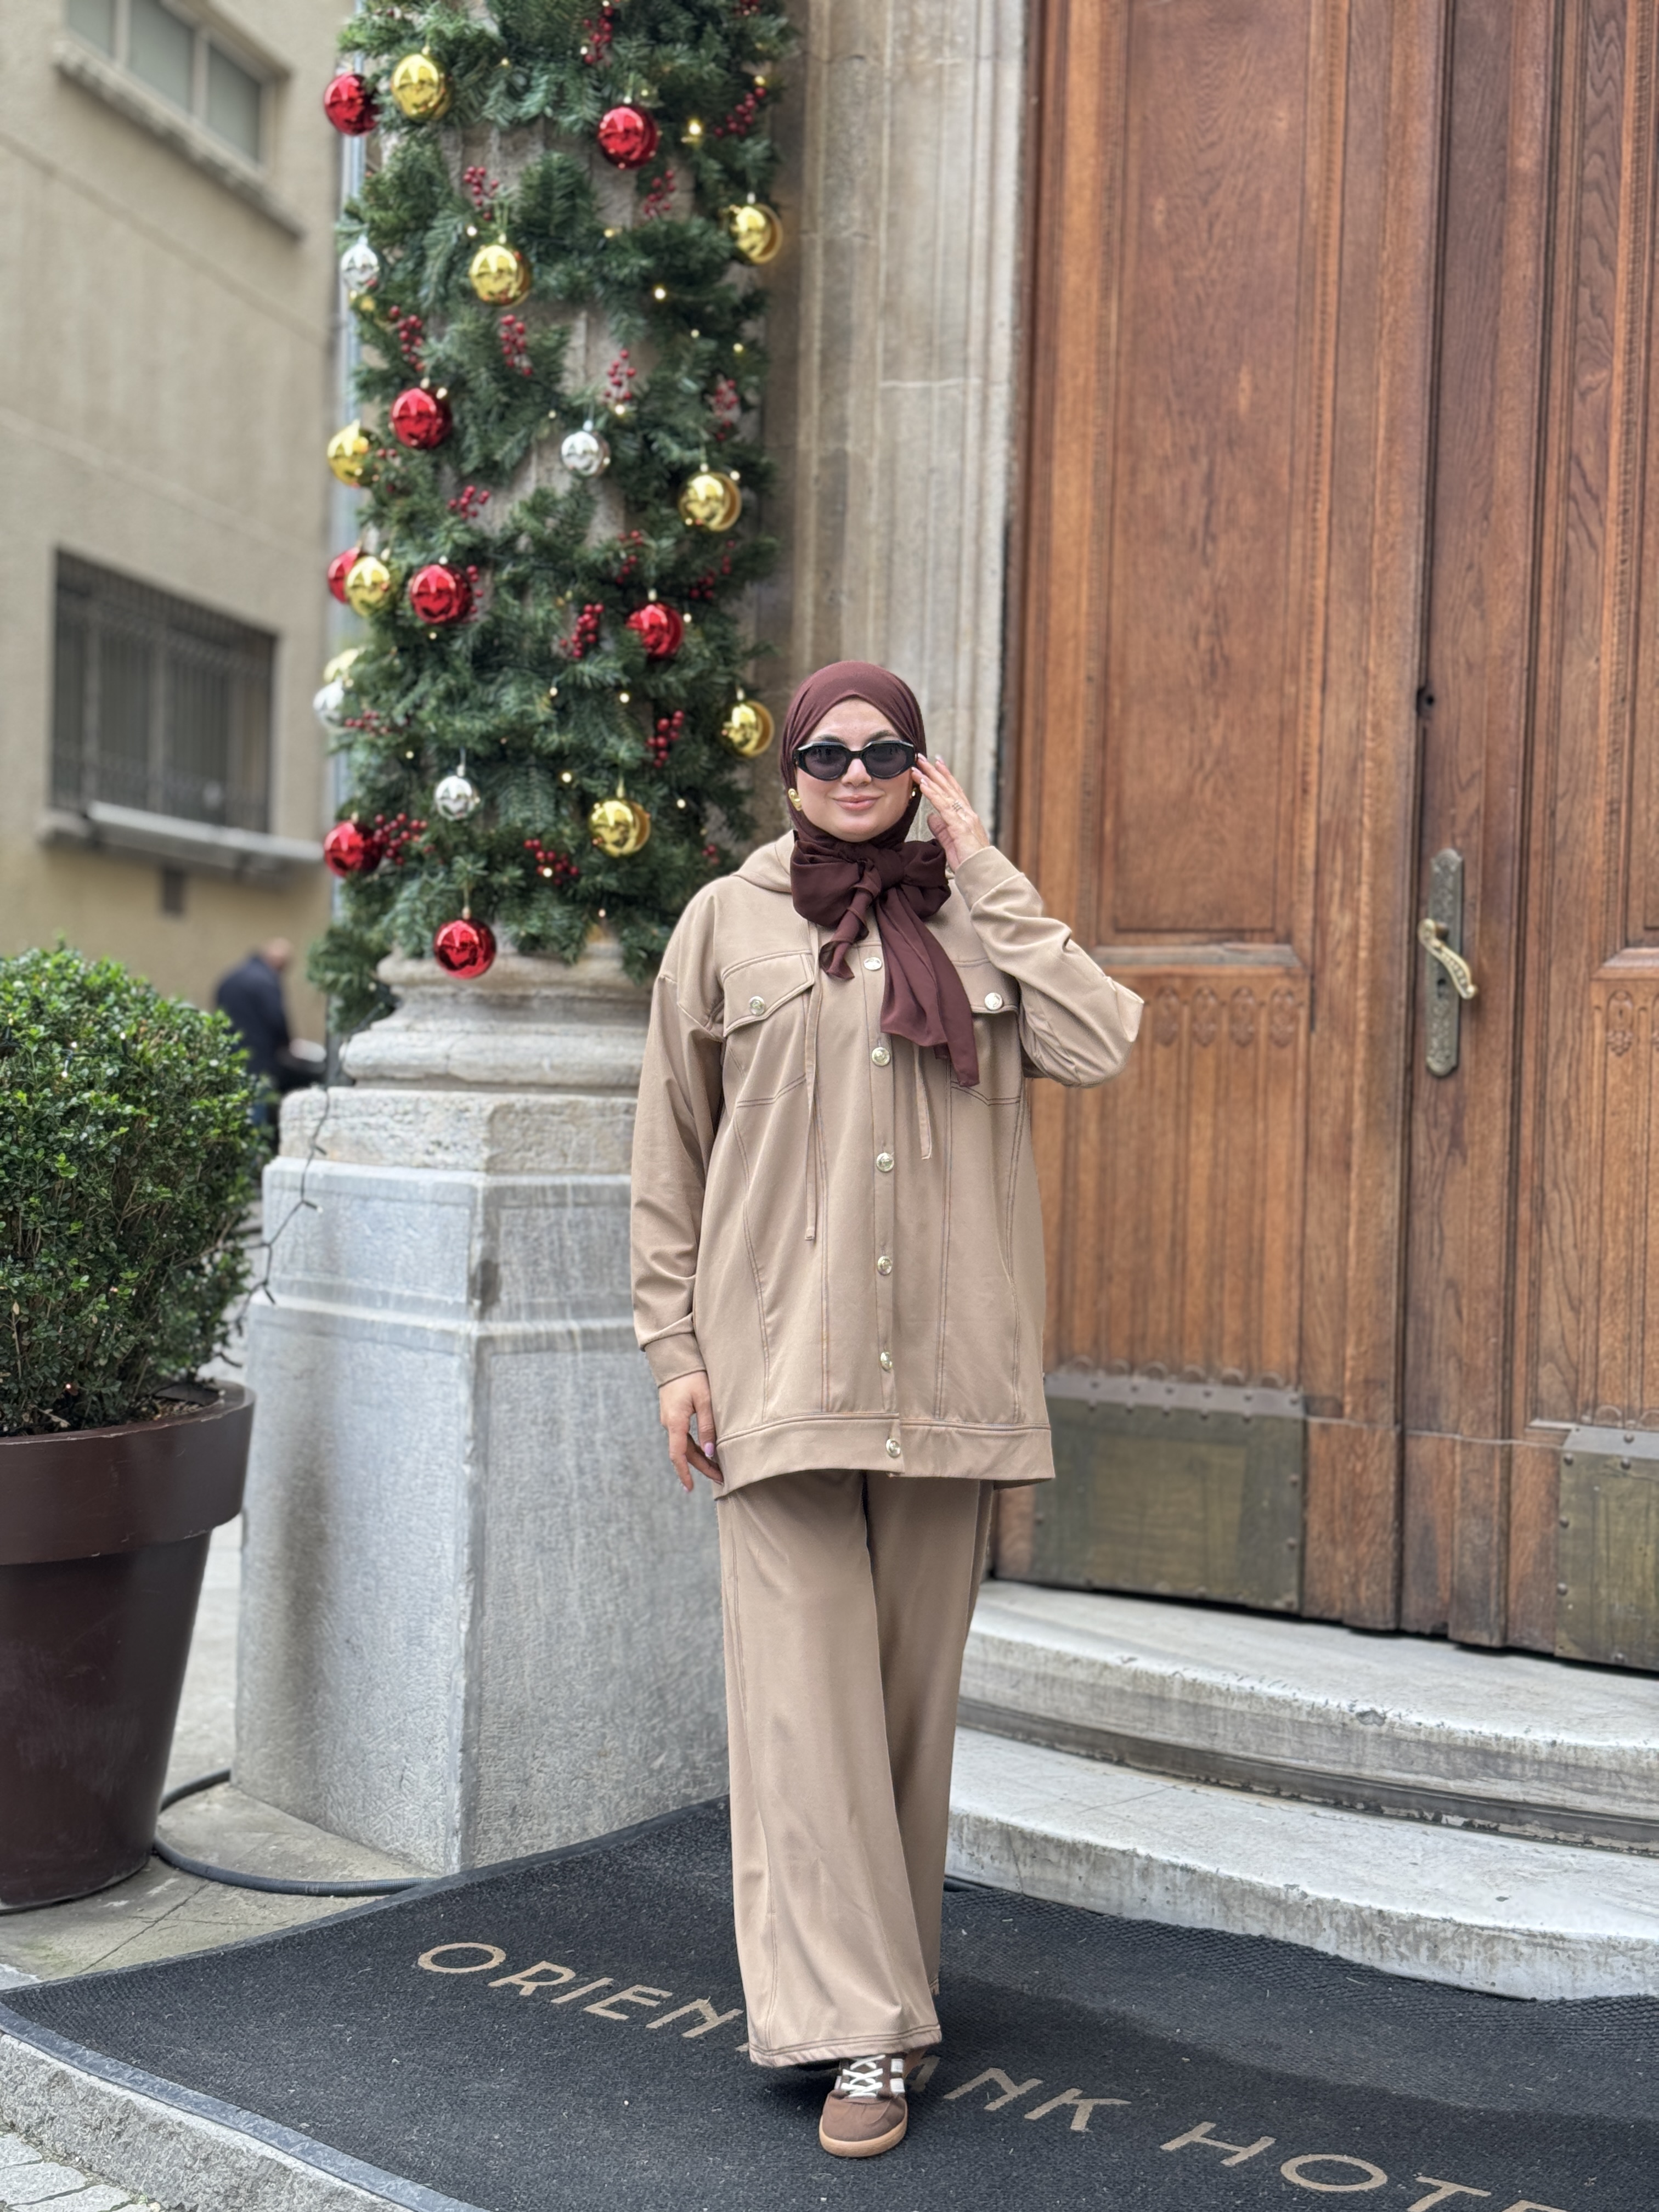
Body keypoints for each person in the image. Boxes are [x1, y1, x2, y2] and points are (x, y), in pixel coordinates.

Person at [629, 662, 1142, 2161]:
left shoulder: (973, 916)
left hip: (944, 1378)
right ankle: (860, 2029)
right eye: (829, 753)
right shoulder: (723, 924)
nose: (855, 774)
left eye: (886, 750)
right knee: (804, 1712)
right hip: (774, 1374)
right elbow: (669, 1152)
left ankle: (887, 1999)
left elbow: (1102, 1042)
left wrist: (986, 876)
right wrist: (673, 1349)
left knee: (907, 1715)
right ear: (788, 768)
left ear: (923, 767)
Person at [213, 939, 320, 1109]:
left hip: (229, 1058)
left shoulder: (231, 978)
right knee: (257, 1109)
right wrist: (288, 1046)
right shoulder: (266, 981)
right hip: (260, 1060)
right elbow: (277, 1020)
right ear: (279, 963)